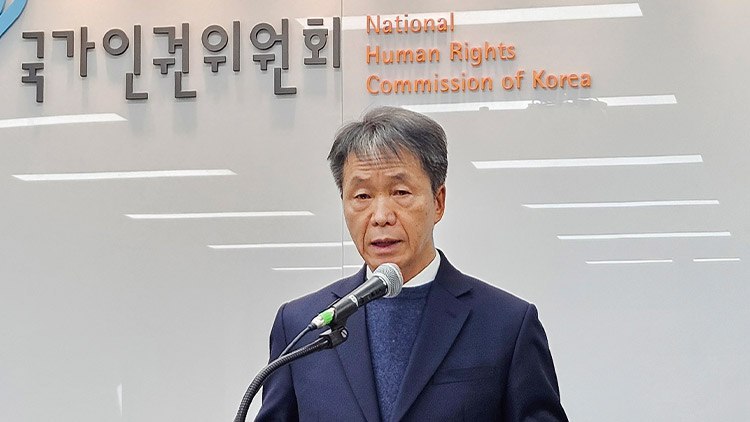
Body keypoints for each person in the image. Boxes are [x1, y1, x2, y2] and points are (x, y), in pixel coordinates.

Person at [255, 107, 568, 421]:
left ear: (438, 202)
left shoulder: (507, 324)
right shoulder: (302, 324)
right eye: (362, 196)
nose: (381, 216)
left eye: (400, 192)